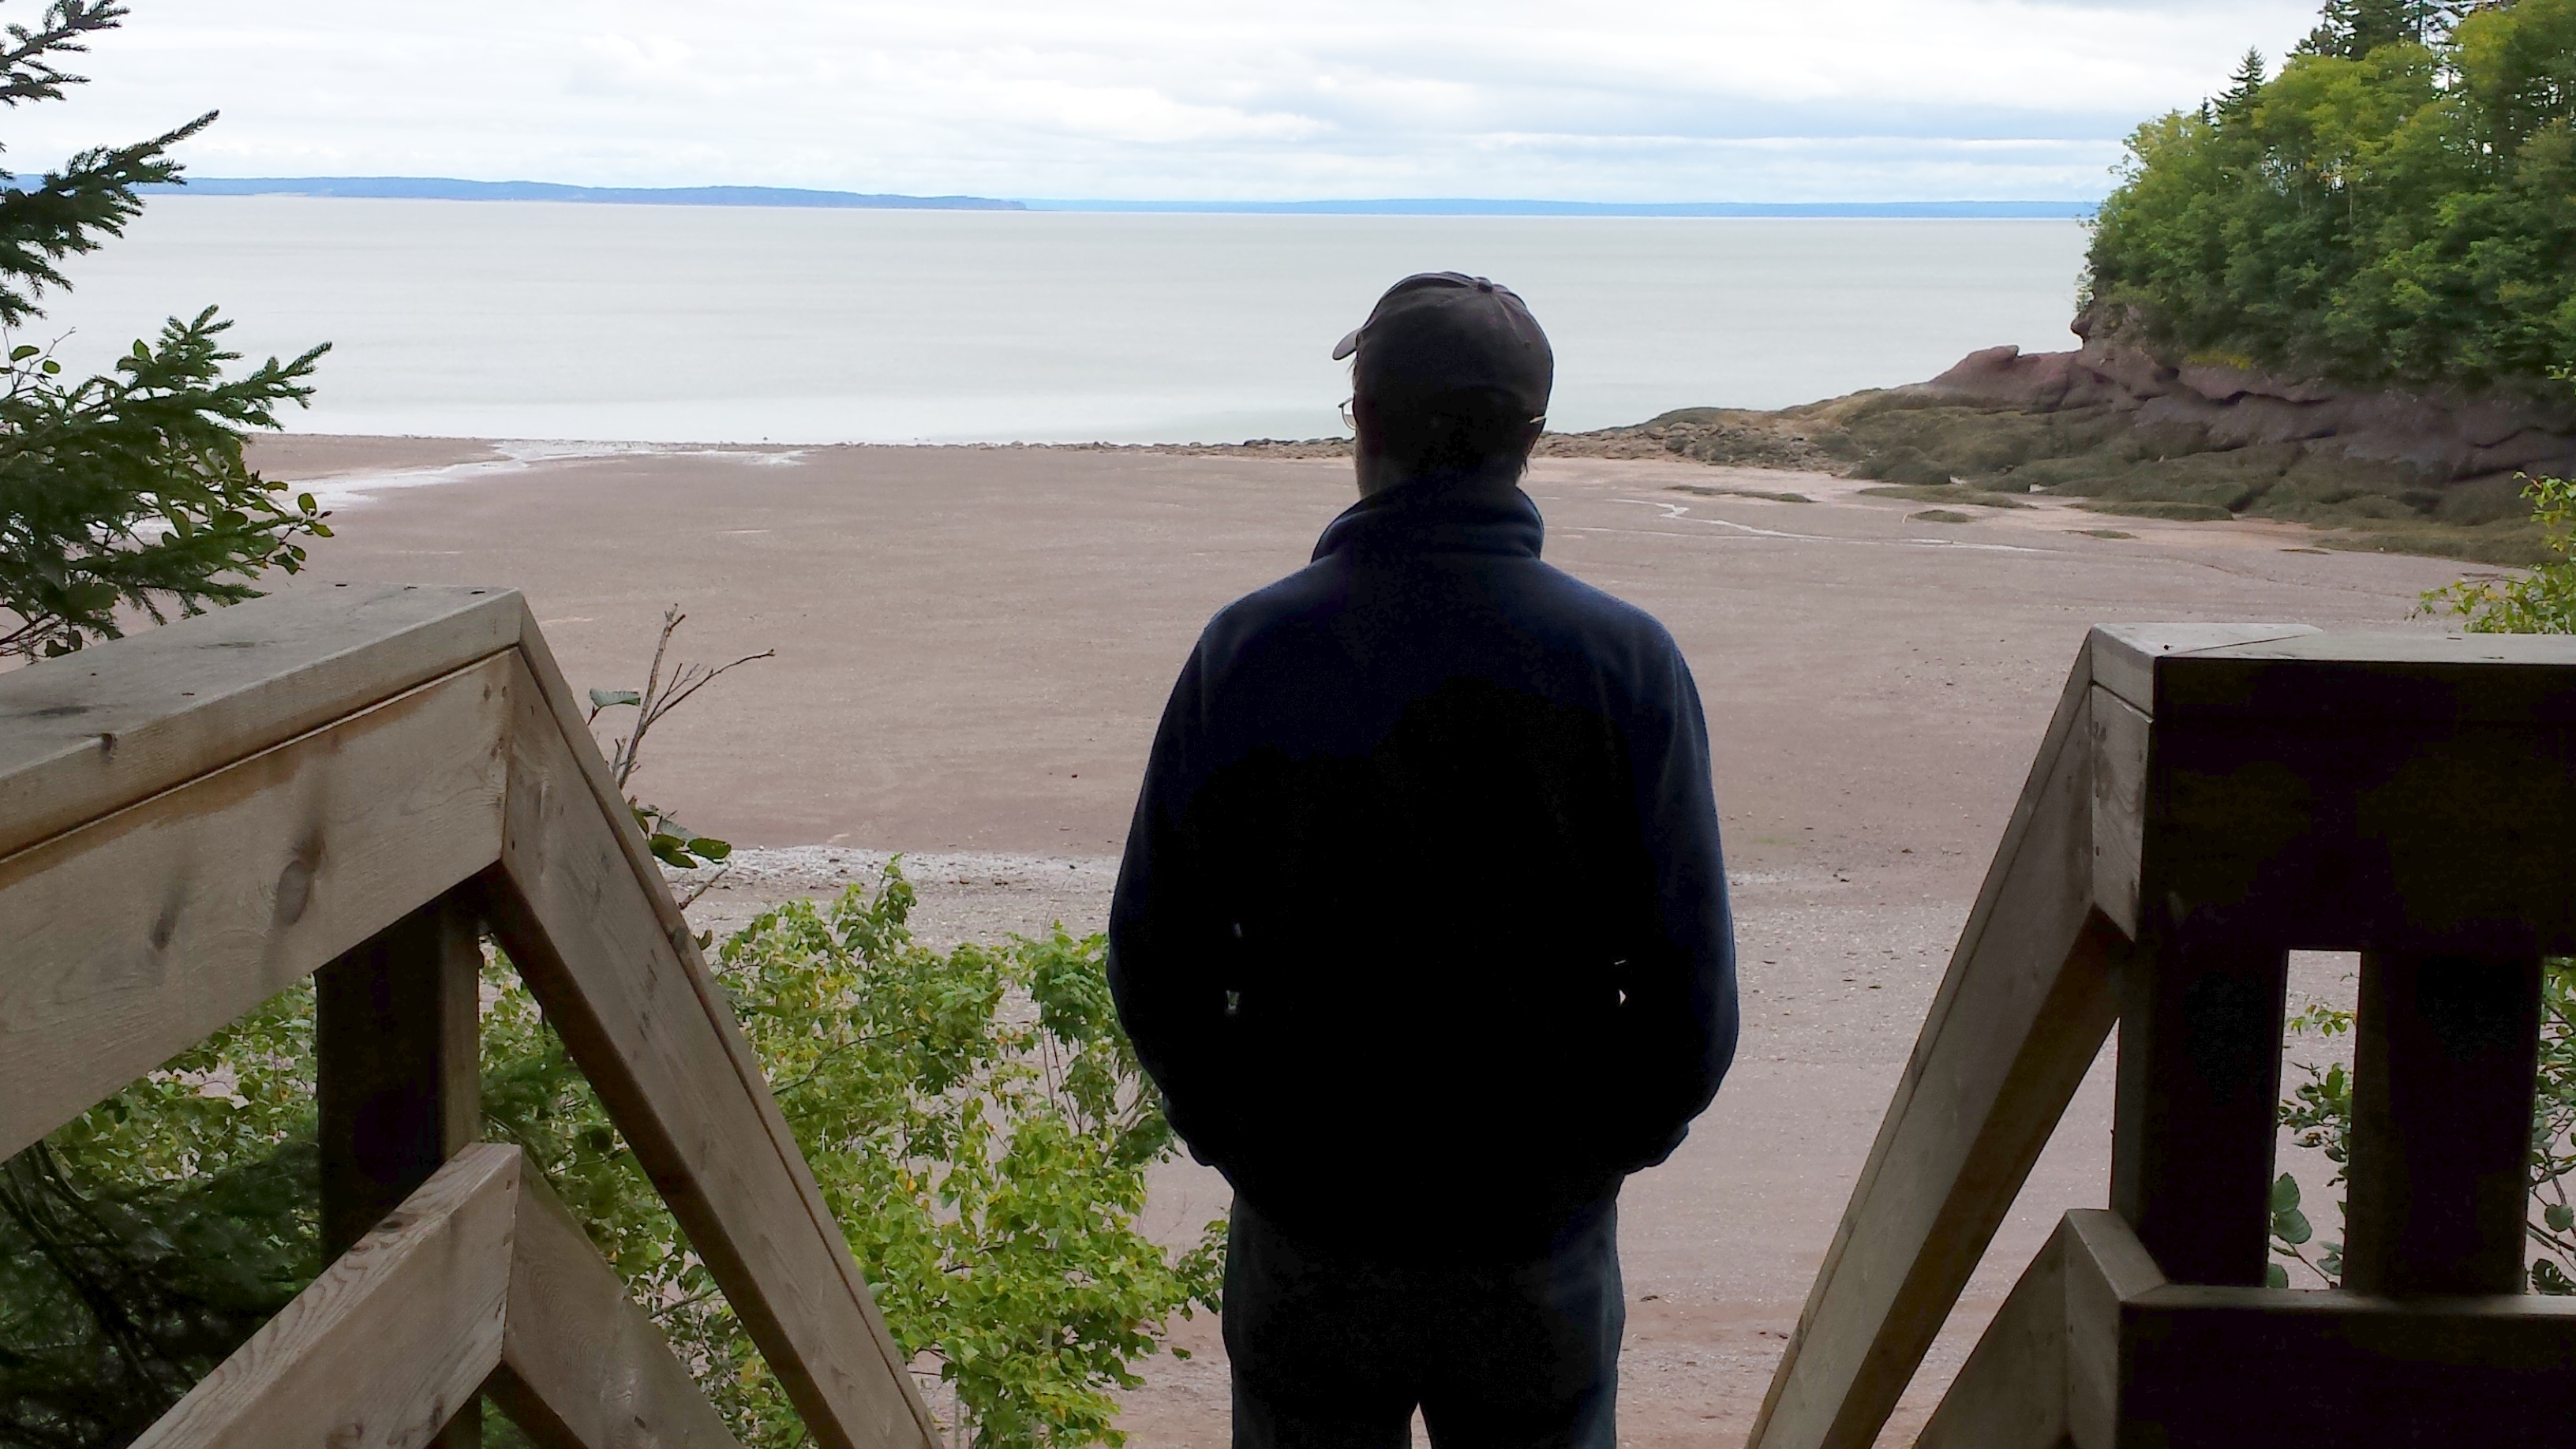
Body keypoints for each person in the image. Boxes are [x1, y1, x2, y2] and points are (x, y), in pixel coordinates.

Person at [1107, 272, 1738, 1449]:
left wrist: (1249, 1145)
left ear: (1364, 424)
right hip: (1534, 1238)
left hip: (1310, 1226)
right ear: (1529, 439)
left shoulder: (1254, 649)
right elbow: (1691, 994)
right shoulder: (1624, 664)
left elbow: (1156, 954)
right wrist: (1589, 1163)